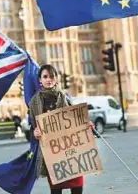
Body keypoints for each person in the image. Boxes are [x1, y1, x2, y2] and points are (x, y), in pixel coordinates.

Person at [29, 64, 93, 194]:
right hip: (53, 153)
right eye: (45, 76)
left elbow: (74, 120)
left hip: (71, 151)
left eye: (52, 76)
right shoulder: (34, 103)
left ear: (56, 79)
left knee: (77, 188)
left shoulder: (65, 97)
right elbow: (32, 127)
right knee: (56, 191)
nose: (49, 79)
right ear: (40, 80)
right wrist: (35, 132)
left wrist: (85, 125)